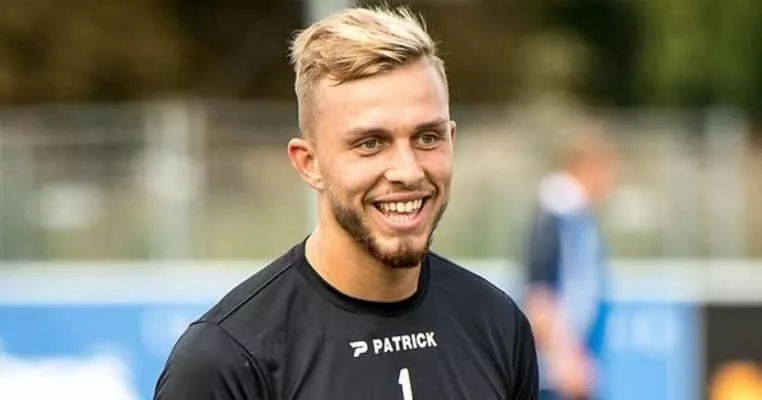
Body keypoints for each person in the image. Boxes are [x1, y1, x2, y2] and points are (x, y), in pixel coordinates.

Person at [153, 5, 538, 400]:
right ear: (309, 163)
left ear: (451, 140)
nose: (407, 171)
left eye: (427, 138)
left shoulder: (497, 325)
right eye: (370, 143)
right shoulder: (225, 362)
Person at [521, 124, 618, 400]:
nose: (610, 182)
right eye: (606, 170)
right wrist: (567, 360)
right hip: (557, 375)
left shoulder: (578, 218)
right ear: (585, 167)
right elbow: (539, 298)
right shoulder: (555, 217)